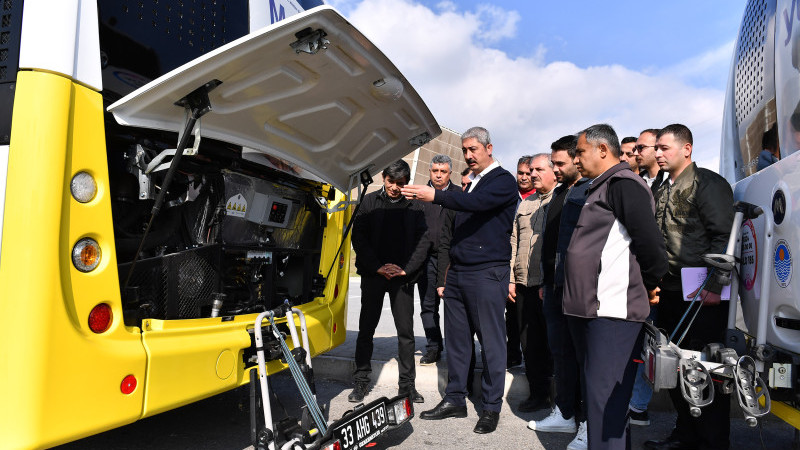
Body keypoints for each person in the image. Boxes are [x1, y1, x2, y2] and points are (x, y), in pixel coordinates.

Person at [402, 126, 518, 434]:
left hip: (486, 272)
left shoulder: (502, 181)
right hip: (459, 273)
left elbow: (476, 206)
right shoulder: (472, 184)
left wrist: (437, 196)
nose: (468, 155)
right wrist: (446, 273)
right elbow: (453, 231)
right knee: (456, 340)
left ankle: (491, 407)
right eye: (464, 150)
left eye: (473, 150)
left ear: (488, 148)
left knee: (491, 342)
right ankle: (455, 397)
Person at [563, 124, 668, 450]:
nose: (575, 159)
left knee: (605, 401)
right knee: (600, 402)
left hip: (611, 312)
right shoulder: (599, 187)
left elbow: (652, 248)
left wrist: (648, 285)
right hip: (590, 311)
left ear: (602, 150)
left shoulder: (625, 185)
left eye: (580, 152)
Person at [645, 124, 735, 450]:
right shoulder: (662, 188)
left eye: (664, 148)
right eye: (656, 148)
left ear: (687, 149)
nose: (658, 153)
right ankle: (685, 435)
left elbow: (725, 237)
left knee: (706, 371)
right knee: (675, 369)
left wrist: (713, 285)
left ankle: (712, 443)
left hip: (703, 295)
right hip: (671, 291)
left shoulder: (707, 184)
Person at [348, 160, 430, 404]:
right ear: (383, 178)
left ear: (407, 182)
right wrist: (377, 266)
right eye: (391, 182)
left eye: (401, 183)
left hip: (402, 278)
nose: (395, 187)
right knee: (366, 329)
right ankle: (361, 381)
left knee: (405, 333)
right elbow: (358, 237)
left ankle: (407, 387)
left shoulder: (416, 207)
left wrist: (406, 269)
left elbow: (424, 240)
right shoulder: (369, 202)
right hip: (374, 275)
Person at [529, 135, 591, 450]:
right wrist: (545, 283)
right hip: (554, 287)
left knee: (585, 359)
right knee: (561, 354)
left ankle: (588, 424)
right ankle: (565, 413)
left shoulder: (589, 191)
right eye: (552, 164)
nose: (555, 169)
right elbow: (550, 243)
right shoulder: (561, 192)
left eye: (560, 164)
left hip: (579, 289)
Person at [509, 153, 556, 412]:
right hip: (523, 285)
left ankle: (558, 396)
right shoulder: (525, 205)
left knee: (552, 344)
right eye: (530, 170)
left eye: (538, 170)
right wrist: (511, 279)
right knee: (529, 343)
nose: (533, 174)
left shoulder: (560, 201)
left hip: (546, 286)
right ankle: (538, 394)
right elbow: (514, 241)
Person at [418, 154, 460, 366]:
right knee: (428, 306)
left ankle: (457, 350)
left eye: (443, 171)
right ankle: (433, 347)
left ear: (450, 173)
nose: (439, 175)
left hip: (452, 261)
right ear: (430, 171)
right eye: (435, 171)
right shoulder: (419, 196)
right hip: (425, 260)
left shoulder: (459, 195)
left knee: (453, 306)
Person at [507, 155, 536, 369]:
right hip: (510, 263)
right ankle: (512, 354)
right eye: (521, 173)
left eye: (528, 173)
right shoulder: (508, 196)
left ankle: (534, 358)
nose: (524, 177)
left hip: (533, 268)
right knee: (511, 314)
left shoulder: (541, 198)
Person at [634, 128, 667, 197]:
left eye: (641, 147)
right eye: (635, 149)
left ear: (657, 148)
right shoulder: (635, 182)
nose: (635, 153)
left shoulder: (672, 180)